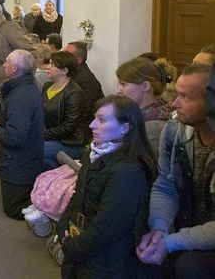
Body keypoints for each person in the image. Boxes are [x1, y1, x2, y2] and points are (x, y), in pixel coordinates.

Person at [58, 95, 157, 278]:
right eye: (95, 118)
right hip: (82, 247)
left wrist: (72, 245)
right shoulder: (96, 151)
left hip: (106, 262)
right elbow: (78, 194)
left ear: (125, 128)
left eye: (102, 120)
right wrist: (63, 225)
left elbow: (108, 226)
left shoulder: (128, 171)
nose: (92, 125)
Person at [137, 64, 215, 276]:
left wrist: (171, 242)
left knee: (189, 266)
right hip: (190, 223)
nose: (174, 103)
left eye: (186, 97)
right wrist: (158, 229)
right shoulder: (174, 130)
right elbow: (166, 183)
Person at [0, 49, 44, 219]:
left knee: (13, 210)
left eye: (7, 62)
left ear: (15, 68)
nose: (4, 64)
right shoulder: (28, 87)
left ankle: (46, 212)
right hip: (25, 158)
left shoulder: (19, 97)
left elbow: (15, 137)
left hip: (19, 162)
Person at [115, 57, 176, 154]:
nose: (118, 90)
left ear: (145, 86)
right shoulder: (134, 115)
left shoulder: (153, 127)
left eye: (123, 84)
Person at [41, 51, 88, 169]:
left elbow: (69, 127)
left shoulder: (74, 93)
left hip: (70, 142)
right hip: (52, 138)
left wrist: (42, 135)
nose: (48, 67)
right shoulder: (47, 86)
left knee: (34, 150)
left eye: (52, 64)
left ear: (64, 71)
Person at [65, 41, 104, 113]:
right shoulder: (71, 73)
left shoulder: (86, 81)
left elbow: (84, 111)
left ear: (78, 60)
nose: (62, 58)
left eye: (66, 55)